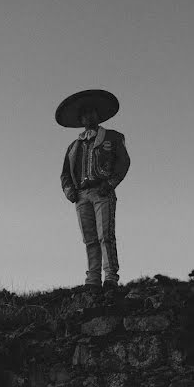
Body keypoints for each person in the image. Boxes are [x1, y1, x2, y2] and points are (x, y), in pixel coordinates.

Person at [57, 89, 130, 291]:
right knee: (89, 238)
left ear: (97, 115)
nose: (88, 116)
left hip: (102, 190)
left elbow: (123, 162)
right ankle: (93, 279)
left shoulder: (113, 137)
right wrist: (69, 190)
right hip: (81, 195)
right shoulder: (73, 146)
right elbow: (64, 173)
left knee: (105, 234)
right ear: (81, 119)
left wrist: (111, 183)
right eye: (84, 114)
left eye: (92, 112)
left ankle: (110, 277)